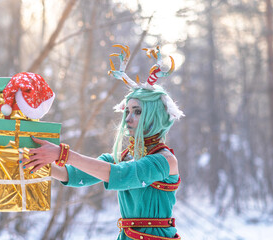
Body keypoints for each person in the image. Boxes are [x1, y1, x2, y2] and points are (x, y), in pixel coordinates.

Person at [21, 45, 184, 240]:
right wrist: (31, 160)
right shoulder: (123, 158)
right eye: (127, 111)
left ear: (154, 116)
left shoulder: (165, 160)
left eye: (137, 112)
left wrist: (62, 154)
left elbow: (121, 175)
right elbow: (72, 174)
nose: (128, 118)